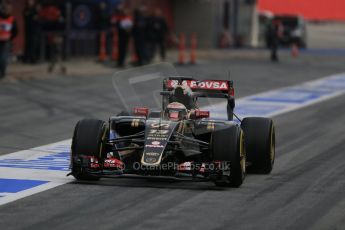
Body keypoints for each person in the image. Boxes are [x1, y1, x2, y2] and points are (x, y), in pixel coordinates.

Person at [0, 2, 17, 80]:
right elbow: (16, 31)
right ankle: (2, 72)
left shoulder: (12, 19)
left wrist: (11, 37)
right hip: (5, 40)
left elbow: (16, 31)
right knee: (3, 57)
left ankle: (2, 72)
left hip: (6, 41)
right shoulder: (11, 18)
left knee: (3, 57)